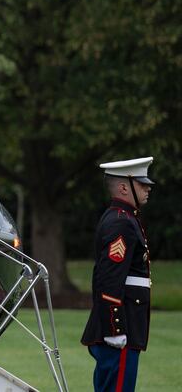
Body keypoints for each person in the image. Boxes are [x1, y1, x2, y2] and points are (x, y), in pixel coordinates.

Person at [82, 157, 154, 392]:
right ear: (124, 187)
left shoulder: (125, 218)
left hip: (125, 325)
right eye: (142, 184)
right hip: (120, 330)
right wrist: (115, 329)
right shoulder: (121, 222)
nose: (148, 188)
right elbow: (109, 278)